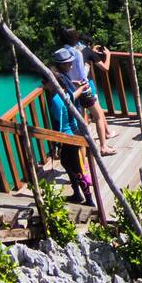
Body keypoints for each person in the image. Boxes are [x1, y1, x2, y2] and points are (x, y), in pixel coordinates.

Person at [54, 27, 117, 154]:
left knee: (79, 119)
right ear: (75, 37)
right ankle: (103, 147)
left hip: (71, 90)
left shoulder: (62, 53)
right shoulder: (79, 52)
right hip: (83, 89)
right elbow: (83, 74)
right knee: (99, 116)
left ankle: (80, 147)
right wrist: (106, 55)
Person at [48, 56, 94, 206]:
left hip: (67, 137)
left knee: (75, 167)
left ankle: (88, 199)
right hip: (74, 133)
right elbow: (72, 95)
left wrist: (56, 144)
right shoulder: (66, 94)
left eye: (45, 82)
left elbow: (58, 123)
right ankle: (78, 194)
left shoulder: (55, 100)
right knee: (69, 164)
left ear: (51, 84)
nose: (43, 85)